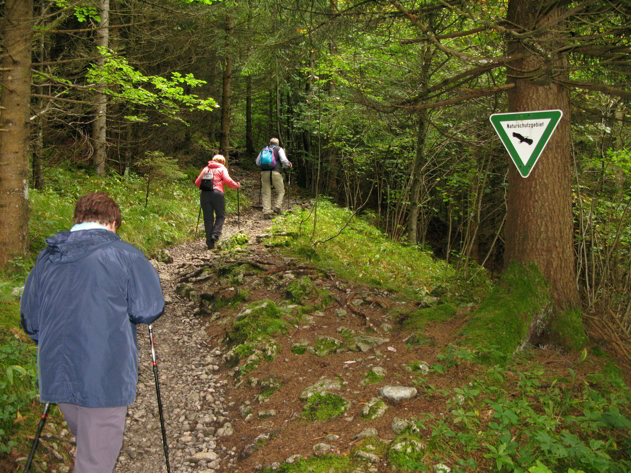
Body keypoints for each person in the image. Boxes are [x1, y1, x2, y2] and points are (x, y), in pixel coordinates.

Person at [20, 192, 165, 473]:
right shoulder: (125, 255)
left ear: (77, 219)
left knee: (90, 451)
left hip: (56, 373)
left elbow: (31, 322)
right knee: (95, 462)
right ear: (113, 222)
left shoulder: (48, 256)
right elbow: (148, 308)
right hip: (104, 375)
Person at [195, 154, 241, 249]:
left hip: (204, 194)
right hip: (217, 193)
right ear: (223, 162)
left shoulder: (206, 169)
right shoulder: (222, 168)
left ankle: (209, 244)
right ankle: (215, 234)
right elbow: (227, 180)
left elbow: (197, 183)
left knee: (207, 219)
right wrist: (235, 185)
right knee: (220, 216)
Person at [256, 137, 292, 219]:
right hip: (276, 172)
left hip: (264, 172)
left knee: (266, 193)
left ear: (270, 143)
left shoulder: (264, 149)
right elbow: (283, 160)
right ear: (278, 143)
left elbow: (257, 162)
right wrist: (289, 164)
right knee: (281, 191)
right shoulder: (279, 149)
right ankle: (277, 207)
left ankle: (266, 212)